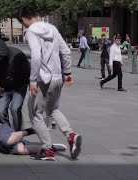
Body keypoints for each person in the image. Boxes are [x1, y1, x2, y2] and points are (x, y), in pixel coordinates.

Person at [18, 5, 82, 161]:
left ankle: (47, 150)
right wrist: (67, 73)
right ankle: (71, 135)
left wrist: (33, 81)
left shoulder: (31, 32)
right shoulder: (52, 28)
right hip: (58, 77)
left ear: (24, 19)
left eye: (21, 22)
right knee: (52, 109)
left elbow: (35, 57)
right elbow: (66, 51)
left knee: (34, 113)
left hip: (44, 80)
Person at [0, 47, 30, 131]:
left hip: (19, 86)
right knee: (0, 111)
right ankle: (6, 132)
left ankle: (17, 132)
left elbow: (27, 73)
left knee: (15, 108)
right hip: (4, 87)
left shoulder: (18, 55)